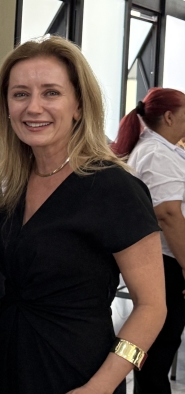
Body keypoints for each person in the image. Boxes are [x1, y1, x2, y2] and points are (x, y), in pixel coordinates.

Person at [0, 37, 167, 394]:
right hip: (8, 364)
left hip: (77, 374)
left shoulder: (114, 188)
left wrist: (101, 386)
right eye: (20, 94)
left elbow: (152, 307)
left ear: (79, 106)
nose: (34, 107)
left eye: (51, 93)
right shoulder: (15, 182)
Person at [112, 88, 185, 394]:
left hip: (166, 259)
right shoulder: (156, 152)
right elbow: (168, 214)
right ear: (168, 117)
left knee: (157, 352)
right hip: (168, 262)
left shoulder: (162, 148)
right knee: (157, 356)